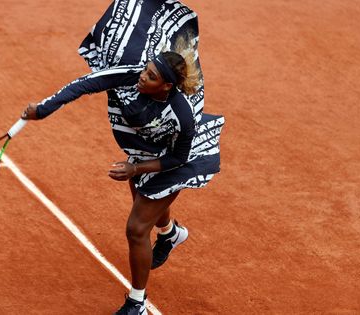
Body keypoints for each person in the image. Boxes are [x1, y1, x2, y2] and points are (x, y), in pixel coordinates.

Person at [24, 1, 225, 314]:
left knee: (136, 228)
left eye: (151, 76)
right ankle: (172, 235)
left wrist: (136, 168)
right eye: (146, 70)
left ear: (167, 86)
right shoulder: (133, 74)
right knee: (143, 202)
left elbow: (176, 159)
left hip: (178, 160)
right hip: (144, 149)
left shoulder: (182, 116)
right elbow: (86, 84)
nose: (143, 77)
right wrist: (44, 108)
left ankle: (137, 302)